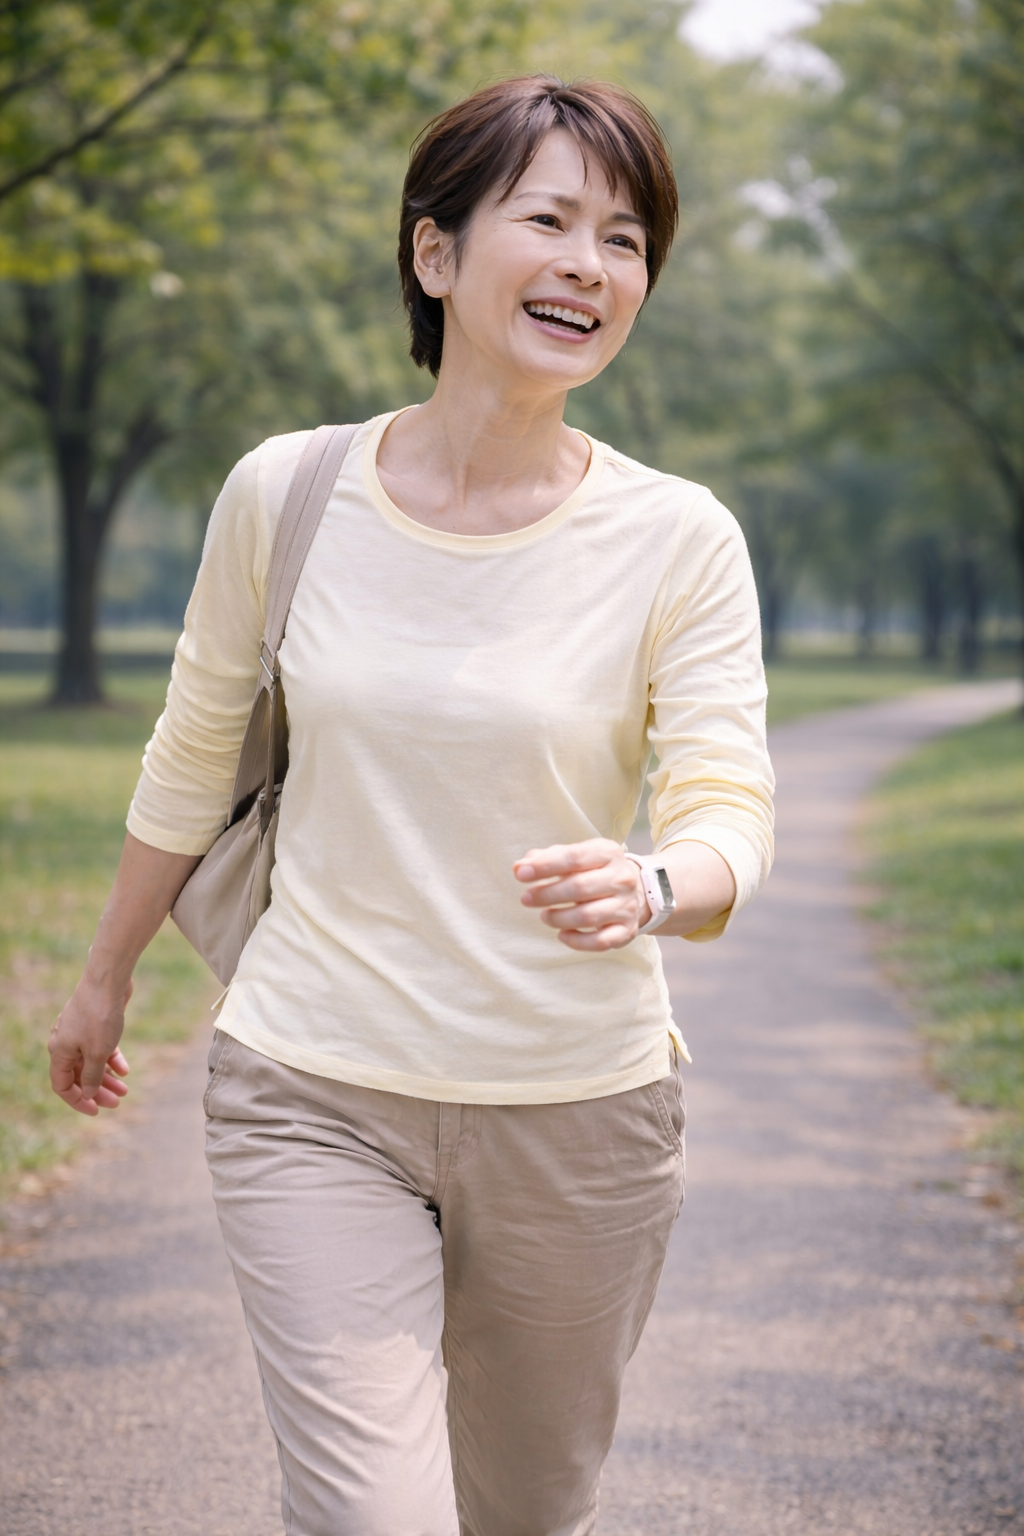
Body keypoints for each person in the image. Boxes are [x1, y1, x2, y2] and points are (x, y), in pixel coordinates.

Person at [49, 75, 774, 1536]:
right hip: (312, 1086)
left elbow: (727, 806)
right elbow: (194, 754)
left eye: (627, 238)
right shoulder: (288, 492)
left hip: (580, 1111)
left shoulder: (678, 537)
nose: (591, 262)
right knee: (377, 1516)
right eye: (551, 218)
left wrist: (653, 883)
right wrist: (104, 977)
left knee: (521, 1513)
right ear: (435, 254)